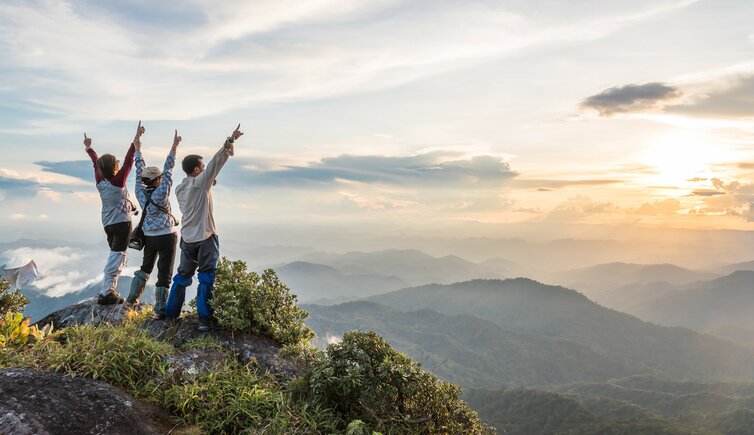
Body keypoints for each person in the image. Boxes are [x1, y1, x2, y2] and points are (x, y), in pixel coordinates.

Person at [165, 124, 244, 331]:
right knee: (207, 278)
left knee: (182, 277)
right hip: (206, 237)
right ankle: (204, 320)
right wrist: (230, 141)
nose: (204, 168)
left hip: (187, 239)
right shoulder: (201, 183)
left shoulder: (181, 188)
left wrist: (210, 182)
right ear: (197, 170)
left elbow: (204, 181)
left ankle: (171, 313)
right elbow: (215, 164)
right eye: (201, 167)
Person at [84, 122, 143, 304]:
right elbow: (128, 161)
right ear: (115, 168)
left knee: (115, 254)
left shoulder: (100, 182)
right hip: (122, 224)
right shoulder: (118, 182)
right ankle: (107, 292)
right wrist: (136, 140)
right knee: (117, 256)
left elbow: (96, 163)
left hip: (108, 224)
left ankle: (109, 290)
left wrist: (89, 148)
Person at [125, 129, 181, 319]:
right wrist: (174, 147)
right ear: (158, 180)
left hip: (149, 236)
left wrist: (138, 149)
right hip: (167, 236)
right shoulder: (162, 191)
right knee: (164, 273)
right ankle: (160, 310)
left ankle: (131, 299)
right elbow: (169, 168)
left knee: (146, 267)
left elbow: (139, 169)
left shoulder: (140, 192)